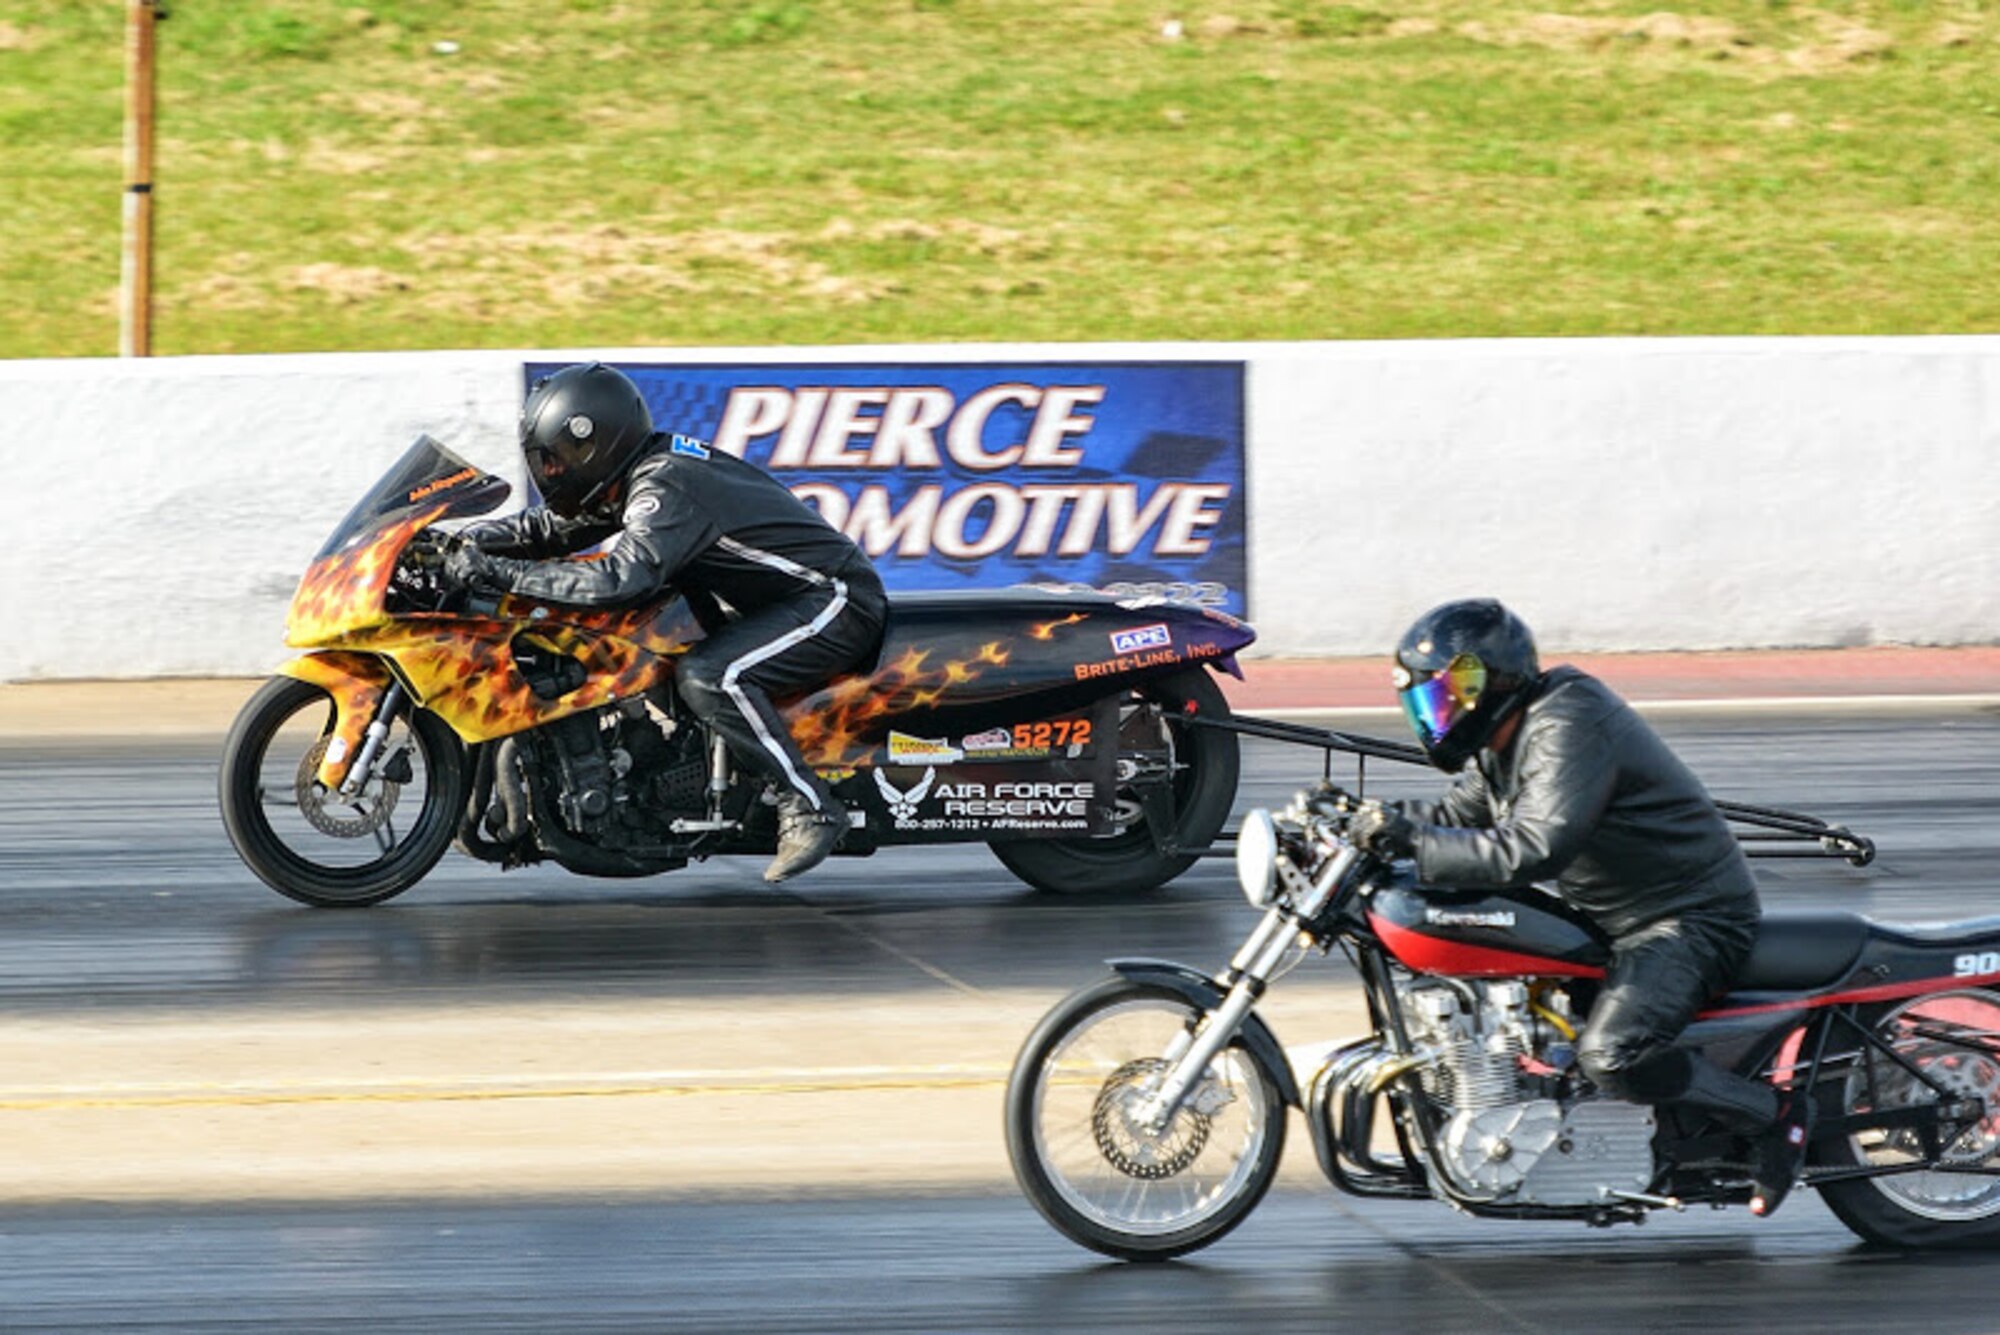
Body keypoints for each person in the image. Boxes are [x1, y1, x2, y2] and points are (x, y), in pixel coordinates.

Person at [1346, 598, 1813, 1218]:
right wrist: (1364, 820)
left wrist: (1414, 844)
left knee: (1613, 1054)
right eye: (1429, 701)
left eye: (1445, 697)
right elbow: (1454, 820)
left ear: (1489, 681)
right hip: (1613, 919)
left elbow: (1533, 848)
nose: (1437, 714)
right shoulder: (1504, 739)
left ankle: (1774, 1115)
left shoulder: (1567, 723)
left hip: (1684, 919)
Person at [440, 362, 887, 883]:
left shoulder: (667, 483)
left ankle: (811, 807)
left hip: (832, 597)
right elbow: (548, 528)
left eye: (559, 459)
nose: (552, 472)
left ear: (596, 444)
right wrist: (457, 541)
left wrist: (495, 571)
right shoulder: (632, 473)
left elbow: (618, 579)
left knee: (712, 675)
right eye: (545, 461)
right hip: (769, 603)